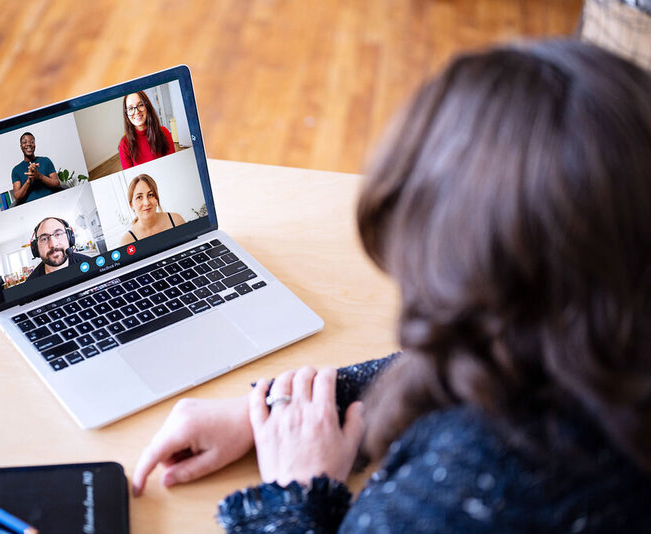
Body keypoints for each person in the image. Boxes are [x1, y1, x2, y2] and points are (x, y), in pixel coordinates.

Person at [131, 40, 651, 532]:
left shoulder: (459, 496)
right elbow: (501, 357)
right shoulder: (607, 338)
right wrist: (270, 408)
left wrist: (294, 492)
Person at [118, 174, 185, 246]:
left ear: (156, 198)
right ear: (131, 205)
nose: (146, 203)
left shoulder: (176, 220)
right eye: (139, 197)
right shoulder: (127, 241)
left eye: (150, 195)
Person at [118, 91, 175, 170]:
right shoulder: (124, 145)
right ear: (126, 114)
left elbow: (172, 165)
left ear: (147, 107)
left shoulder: (164, 132)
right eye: (130, 108)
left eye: (140, 105)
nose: (137, 112)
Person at [26, 217, 90, 280]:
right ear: (36, 248)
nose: (53, 245)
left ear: (70, 238)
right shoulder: (30, 284)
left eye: (58, 234)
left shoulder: (89, 264)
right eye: (44, 239)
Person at [11, 132, 61, 205]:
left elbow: (57, 184)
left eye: (32, 142)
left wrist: (39, 176)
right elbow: (18, 197)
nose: (28, 144)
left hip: (51, 202)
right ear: (21, 146)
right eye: (24, 142)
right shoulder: (16, 170)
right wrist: (29, 180)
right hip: (30, 207)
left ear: (34, 145)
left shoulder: (45, 161)